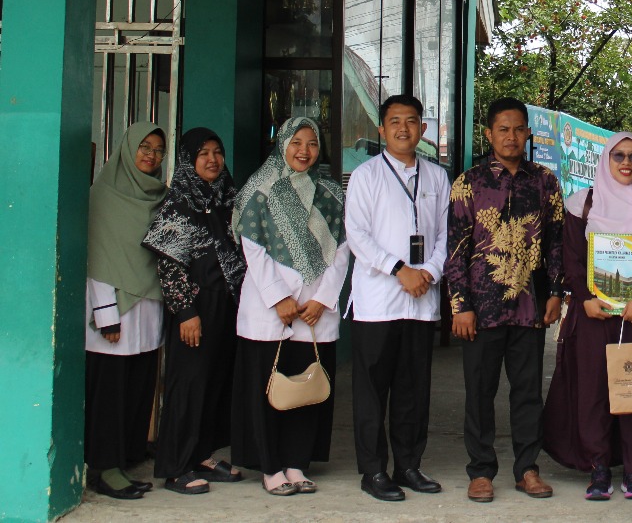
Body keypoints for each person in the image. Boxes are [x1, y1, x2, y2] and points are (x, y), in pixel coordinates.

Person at [543, 131, 632, 501]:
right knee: (593, 391)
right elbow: (571, 257)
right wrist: (585, 298)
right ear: (606, 160)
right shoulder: (582, 205)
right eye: (618, 155)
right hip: (593, 316)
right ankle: (598, 467)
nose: (626, 163)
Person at [447, 97, 564, 503]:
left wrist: (556, 293)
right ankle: (481, 471)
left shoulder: (545, 182)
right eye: (503, 129)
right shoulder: (469, 183)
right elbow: (456, 249)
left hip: (530, 307)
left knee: (528, 392)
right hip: (481, 308)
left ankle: (527, 469)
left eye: (517, 129)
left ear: (528, 133)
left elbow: (556, 244)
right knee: (480, 392)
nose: (511, 136)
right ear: (489, 134)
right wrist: (460, 305)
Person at [231, 116, 351, 496]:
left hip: (314, 311)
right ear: (282, 144)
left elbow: (343, 249)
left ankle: (297, 463)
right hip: (270, 310)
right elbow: (253, 247)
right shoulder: (260, 190)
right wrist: (279, 297)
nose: (304, 151)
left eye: (312, 143)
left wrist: (321, 299)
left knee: (307, 389)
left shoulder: (330, 193)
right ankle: (270, 468)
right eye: (296, 142)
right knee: (269, 390)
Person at [344, 95, 451, 502]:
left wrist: (431, 271)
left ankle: (408, 465)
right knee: (372, 391)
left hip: (421, 300)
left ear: (423, 129)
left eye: (411, 121)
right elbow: (357, 235)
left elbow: (448, 234)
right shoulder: (366, 175)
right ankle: (373, 470)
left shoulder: (437, 177)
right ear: (381, 130)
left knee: (413, 389)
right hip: (378, 302)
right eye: (394, 122)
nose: (403, 128)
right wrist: (399, 269)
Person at [143, 128, 246, 495]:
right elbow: (169, 264)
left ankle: (201, 455)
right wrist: (185, 311)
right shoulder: (180, 204)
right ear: (188, 160)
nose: (213, 160)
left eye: (217, 152)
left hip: (227, 304)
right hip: (195, 307)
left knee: (215, 382)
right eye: (203, 153)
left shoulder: (227, 198)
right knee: (188, 386)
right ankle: (175, 467)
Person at [84, 122, 168, 500]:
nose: (151, 155)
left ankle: (129, 454)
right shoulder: (103, 195)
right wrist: (106, 315)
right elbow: (97, 256)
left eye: (158, 149)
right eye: (144, 147)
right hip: (114, 309)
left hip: (148, 307)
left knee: (138, 388)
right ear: (127, 148)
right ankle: (104, 467)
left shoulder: (159, 196)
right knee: (110, 393)